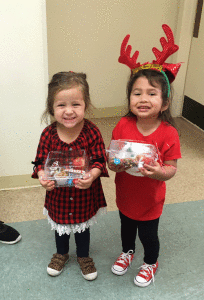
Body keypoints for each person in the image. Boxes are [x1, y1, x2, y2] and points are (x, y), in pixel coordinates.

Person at [109, 24, 182, 287]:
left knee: (149, 235)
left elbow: (172, 168)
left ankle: (151, 262)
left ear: (164, 102)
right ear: (129, 97)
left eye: (152, 93)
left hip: (151, 198)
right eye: (137, 93)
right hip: (125, 192)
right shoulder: (122, 125)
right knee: (126, 228)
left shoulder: (168, 133)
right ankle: (127, 252)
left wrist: (159, 172)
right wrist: (115, 164)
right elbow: (114, 156)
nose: (143, 98)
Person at [31, 71, 108, 281]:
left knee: (82, 228)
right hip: (58, 195)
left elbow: (101, 159)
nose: (69, 111)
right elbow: (39, 162)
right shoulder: (48, 134)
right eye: (61, 105)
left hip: (85, 192)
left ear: (86, 105)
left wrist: (92, 176)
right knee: (61, 227)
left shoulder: (91, 132)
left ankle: (84, 256)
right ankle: (61, 253)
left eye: (75, 104)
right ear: (51, 108)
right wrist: (42, 176)